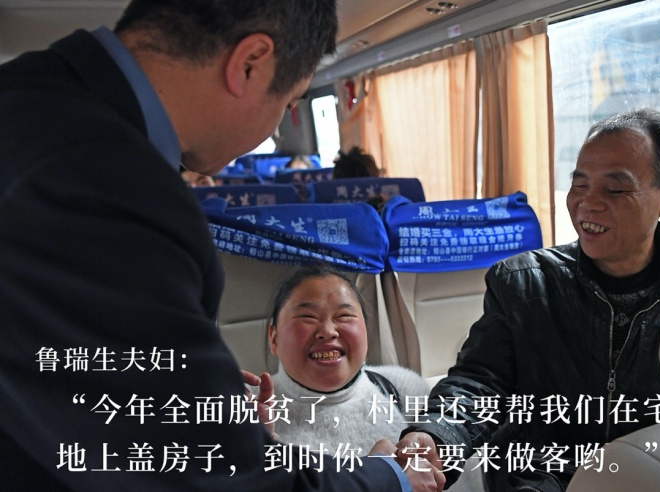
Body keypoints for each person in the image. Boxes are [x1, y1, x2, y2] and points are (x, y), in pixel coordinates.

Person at [0, 1, 442, 491]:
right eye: (288, 103)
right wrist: (390, 477)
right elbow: (214, 475)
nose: (277, 128)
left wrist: (202, 392)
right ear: (250, 63)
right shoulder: (110, 182)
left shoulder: (31, 101)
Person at [397, 108, 660, 491]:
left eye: (614, 189)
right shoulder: (522, 282)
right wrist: (436, 436)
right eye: (579, 184)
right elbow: (480, 382)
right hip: (538, 478)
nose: (587, 203)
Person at [242, 264, 476, 490]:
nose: (328, 331)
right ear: (274, 337)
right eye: (308, 317)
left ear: (366, 330)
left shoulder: (404, 387)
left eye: (344, 316)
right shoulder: (246, 410)